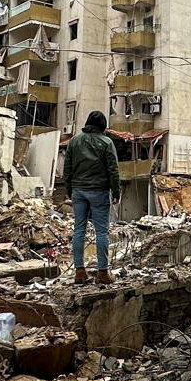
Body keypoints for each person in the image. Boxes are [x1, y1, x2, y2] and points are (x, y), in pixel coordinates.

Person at [64, 110, 121, 284]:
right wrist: (116, 191)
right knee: (101, 231)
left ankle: (79, 272)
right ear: (103, 126)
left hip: (78, 191)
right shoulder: (106, 142)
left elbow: (67, 168)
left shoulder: (74, 141)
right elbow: (113, 170)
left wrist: (69, 190)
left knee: (79, 230)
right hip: (99, 191)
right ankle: (103, 273)